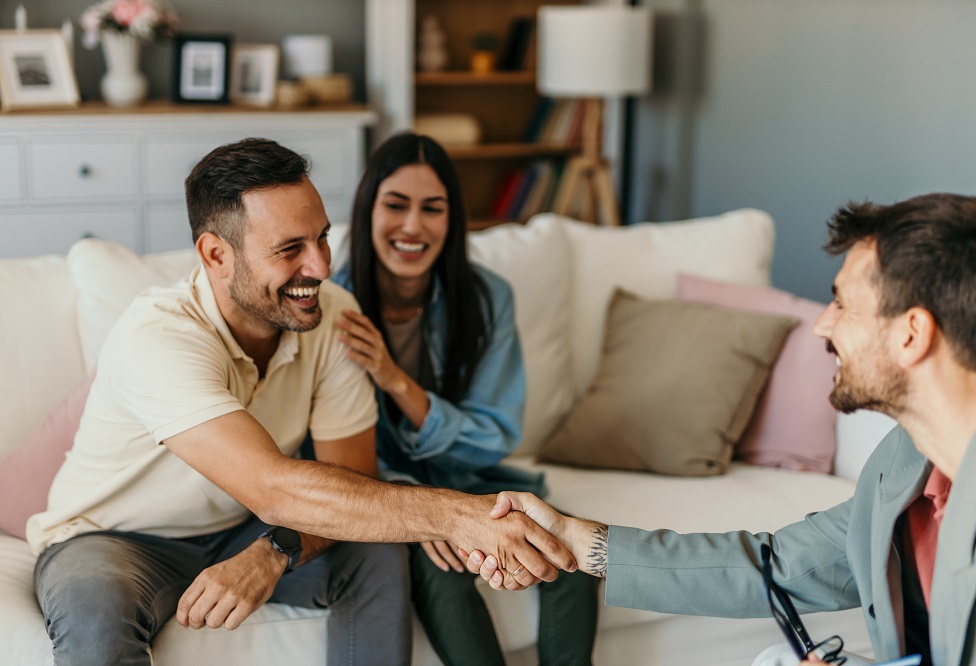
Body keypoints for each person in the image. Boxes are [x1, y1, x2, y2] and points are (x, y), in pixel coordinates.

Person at [26, 138, 576, 666]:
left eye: (322, 238)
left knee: (375, 553)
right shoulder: (159, 336)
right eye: (290, 249)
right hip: (112, 540)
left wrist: (274, 551)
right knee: (95, 611)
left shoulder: (333, 314)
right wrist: (462, 517)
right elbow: (272, 487)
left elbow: (350, 477)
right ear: (216, 254)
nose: (318, 266)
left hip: (238, 530)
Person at [468, 193, 976, 666]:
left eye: (842, 304)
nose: (822, 324)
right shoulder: (903, 464)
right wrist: (576, 540)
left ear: (912, 335)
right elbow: (777, 565)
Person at [330, 132, 600, 665]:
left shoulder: (486, 297)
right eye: (396, 205)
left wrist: (396, 380)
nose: (413, 226)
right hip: (383, 494)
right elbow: (330, 455)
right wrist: (423, 510)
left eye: (432, 208)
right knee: (443, 570)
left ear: (452, 220)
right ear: (367, 212)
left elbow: (492, 436)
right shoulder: (335, 305)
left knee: (567, 555)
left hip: (472, 482)